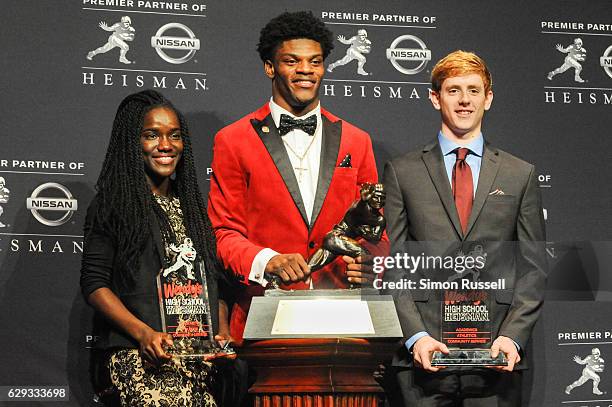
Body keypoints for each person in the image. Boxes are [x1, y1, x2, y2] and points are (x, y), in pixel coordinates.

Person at [383, 51, 547, 406]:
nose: (464, 100)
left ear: (488, 98)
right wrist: (416, 336)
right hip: (423, 356)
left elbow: (534, 267)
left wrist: (512, 337)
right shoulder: (402, 172)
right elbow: (393, 264)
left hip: (497, 356)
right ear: (434, 97)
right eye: (453, 90)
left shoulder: (521, 174)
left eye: (473, 90)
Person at [207, 11, 382, 341]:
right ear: (270, 67)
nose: (306, 71)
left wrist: (370, 262)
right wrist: (268, 260)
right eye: (292, 61)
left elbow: (374, 227)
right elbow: (222, 232)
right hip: (266, 316)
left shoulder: (357, 141)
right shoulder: (233, 140)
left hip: (344, 319)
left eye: (315, 62)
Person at [81, 90, 233, 406]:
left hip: (198, 363)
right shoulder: (112, 205)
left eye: (174, 136)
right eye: (152, 135)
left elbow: (215, 283)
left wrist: (222, 333)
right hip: (141, 360)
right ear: (132, 143)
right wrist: (143, 334)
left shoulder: (193, 208)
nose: (165, 145)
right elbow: (95, 285)